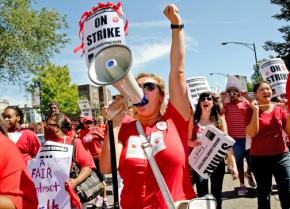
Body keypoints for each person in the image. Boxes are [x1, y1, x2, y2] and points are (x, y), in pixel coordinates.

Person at [100, 4, 196, 209]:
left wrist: (176, 26)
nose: (142, 91)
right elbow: (107, 167)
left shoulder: (175, 120)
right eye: (137, 87)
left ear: (161, 96)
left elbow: (177, 72)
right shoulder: (125, 128)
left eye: (149, 87)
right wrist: (114, 123)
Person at [190, 91, 238, 209]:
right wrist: (194, 143)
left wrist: (233, 165)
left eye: (209, 98)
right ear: (199, 103)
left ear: (213, 102)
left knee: (216, 194)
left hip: (216, 162)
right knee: (202, 194)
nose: (206, 100)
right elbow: (187, 141)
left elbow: (228, 145)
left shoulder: (220, 121)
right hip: (199, 163)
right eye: (203, 99)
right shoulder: (194, 121)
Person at [246, 81, 290, 209]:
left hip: (282, 155)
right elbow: (252, 133)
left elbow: (288, 131)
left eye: (268, 88)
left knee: (287, 191)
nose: (266, 91)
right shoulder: (249, 110)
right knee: (264, 193)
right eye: (262, 89)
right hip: (259, 158)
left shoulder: (280, 108)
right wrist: (255, 111)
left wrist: (287, 111)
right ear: (255, 95)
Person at [45, 112, 96, 209]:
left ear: (57, 127)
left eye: (49, 125)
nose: (46, 127)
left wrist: (75, 181)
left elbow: (88, 166)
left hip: (74, 195)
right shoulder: (45, 144)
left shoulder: (75, 142)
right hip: (53, 197)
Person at [220, 86, 256, 196]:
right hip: (235, 141)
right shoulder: (226, 106)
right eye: (230, 93)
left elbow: (255, 106)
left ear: (238, 94)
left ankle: (249, 173)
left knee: (252, 163)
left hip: (247, 138)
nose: (232, 95)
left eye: (234, 93)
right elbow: (220, 110)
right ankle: (242, 185)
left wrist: (246, 96)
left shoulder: (244, 103)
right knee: (239, 164)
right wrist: (222, 98)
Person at [0, 121, 38, 209]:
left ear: (18, 118)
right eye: (4, 116)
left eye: (9, 117)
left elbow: (36, 153)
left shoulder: (28, 134)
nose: (6, 119)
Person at [78, 116, 108, 209]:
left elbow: (104, 139)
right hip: (88, 158)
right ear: (83, 124)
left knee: (102, 180)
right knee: (94, 180)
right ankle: (98, 198)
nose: (89, 125)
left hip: (98, 157)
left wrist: (97, 134)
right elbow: (80, 144)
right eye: (87, 123)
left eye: (90, 122)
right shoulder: (81, 133)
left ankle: (105, 200)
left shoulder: (97, 129)